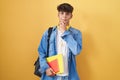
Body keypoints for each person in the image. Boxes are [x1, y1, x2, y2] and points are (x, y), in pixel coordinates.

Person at [38, 3, 82, 80]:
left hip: (69, 75)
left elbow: (76, 51)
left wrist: (65, 32)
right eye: (62, 13)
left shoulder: (76, 33)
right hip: (51, 75)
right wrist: (46, 68)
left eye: (67, 14)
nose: (64, 16)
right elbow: (42, 52)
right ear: (58, 15)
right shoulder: (49, 32)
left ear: (71, 16)